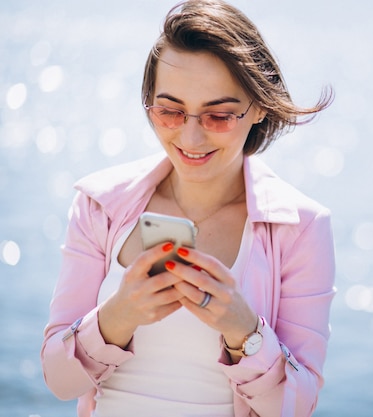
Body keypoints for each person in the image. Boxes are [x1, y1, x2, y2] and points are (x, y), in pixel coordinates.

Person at [40, 1, 335, 416]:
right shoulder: (100, 205)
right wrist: (117, 317)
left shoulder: (300, 227)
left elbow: (296, 407)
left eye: (218, 115)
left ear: (260, 107)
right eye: (169, 111)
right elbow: (59, 380)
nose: (191, 138)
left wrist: (244, 332)